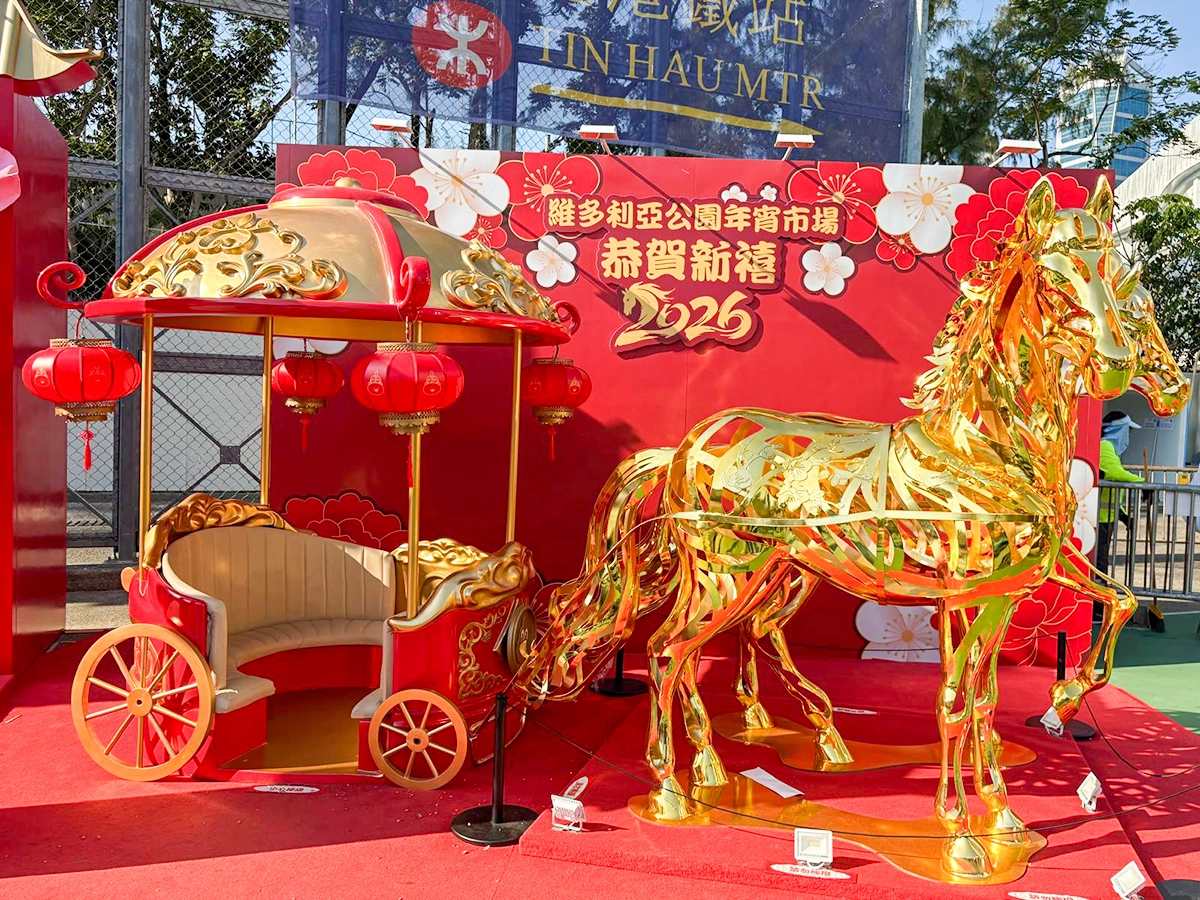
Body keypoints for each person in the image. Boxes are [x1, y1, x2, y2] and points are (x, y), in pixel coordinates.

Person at [1096, 411, 1143, 591]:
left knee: (1102, 561)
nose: (1129, 436)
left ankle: (1100, 601)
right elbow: (1115, 474)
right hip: (1099, 519)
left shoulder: (1109, 448)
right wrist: (1143, 484)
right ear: (1119, 431)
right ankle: (1098, 605)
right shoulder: (1105, 446)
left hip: (1106, 517)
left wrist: (1123, 515)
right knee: (1099, 564)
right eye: (1128, 431)